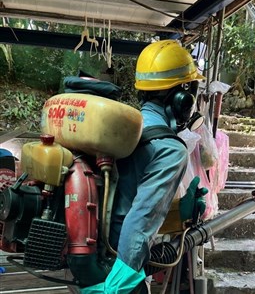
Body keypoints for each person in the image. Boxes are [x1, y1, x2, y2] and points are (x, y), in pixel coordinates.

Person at [80, 40, 206, 294]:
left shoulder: (123, 127)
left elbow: (125, 194)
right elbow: (138, 222)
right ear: (182, 98)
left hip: (88, 252)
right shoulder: (170, 149)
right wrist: (116, 287)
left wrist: (178, 212)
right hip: (117, 265)